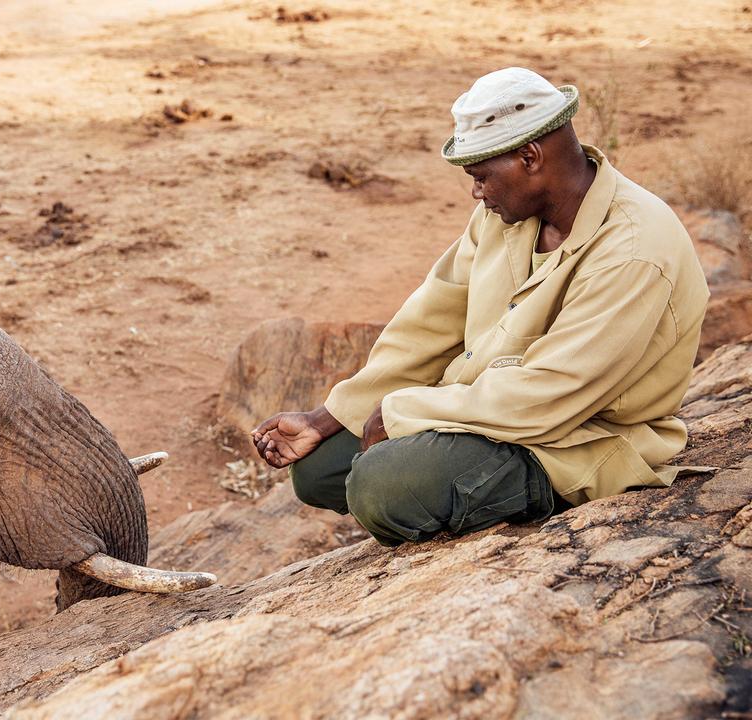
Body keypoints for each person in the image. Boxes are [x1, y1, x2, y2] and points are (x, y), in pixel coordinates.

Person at [252, 67, 709, 547]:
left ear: (529, 157)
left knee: (380, 487)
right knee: (318, 470)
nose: (476, 192)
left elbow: (550, 394)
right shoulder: (506, 215)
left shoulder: (634, 249)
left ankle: (507, 496)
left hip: (575, 438)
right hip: (486, 405)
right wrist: (326, 417)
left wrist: (403, 412)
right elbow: (429, 323)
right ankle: (450, 478)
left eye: (480, 176)